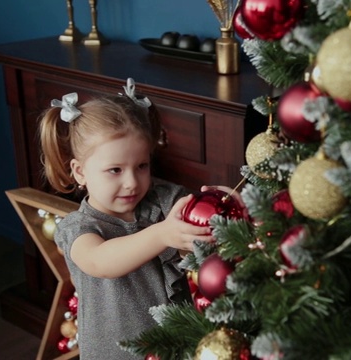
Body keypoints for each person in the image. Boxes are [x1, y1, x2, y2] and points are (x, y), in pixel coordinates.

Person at [39, 78, 219, 359]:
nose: (132, 182)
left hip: (176, 345)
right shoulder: (79, 227)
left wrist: (219, 202)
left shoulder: (162, 201)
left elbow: (195, 228)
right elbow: (101, 261)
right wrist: (162, 235)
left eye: (142, 166)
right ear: (80, 171)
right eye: (115, 170)